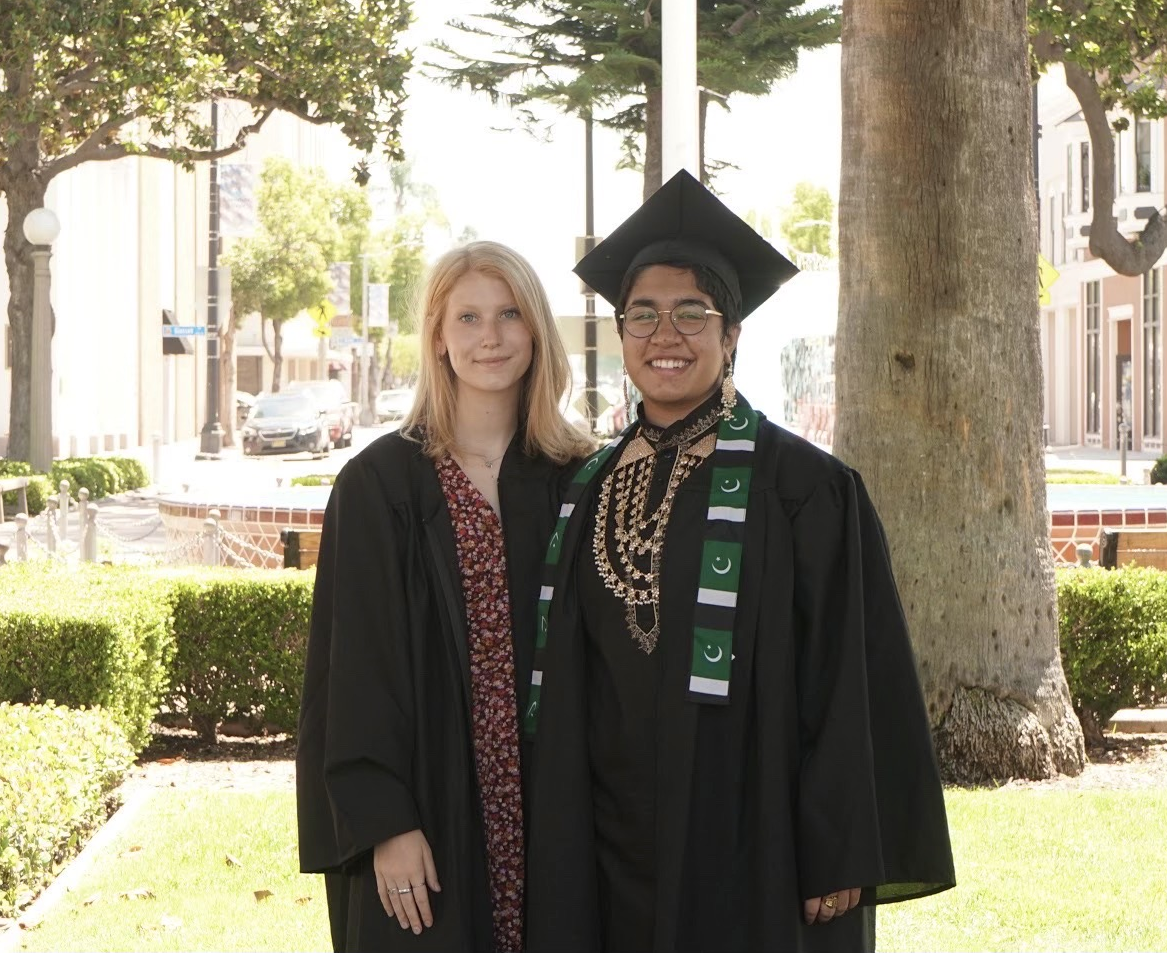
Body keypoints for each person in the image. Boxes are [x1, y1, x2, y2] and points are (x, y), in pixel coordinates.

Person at [525, 171, 955, 952]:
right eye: (644, 315)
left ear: (732, 336)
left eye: (693, 313)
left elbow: (848, 675)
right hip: (608, 841)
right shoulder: (583, 486)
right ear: (621, 335)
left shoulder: (804, 487)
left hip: (754, 835)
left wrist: (837, 845)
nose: (666, 335)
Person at [298, 241, 598, 952]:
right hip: (431, 799)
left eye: (509, 314)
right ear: (436, 334)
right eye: (466, 317)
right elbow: (354, 669)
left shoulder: (579, 478)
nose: (489, 336)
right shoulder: (379, 486)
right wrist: (385, 822)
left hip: (556, 803)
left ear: (537, 331)